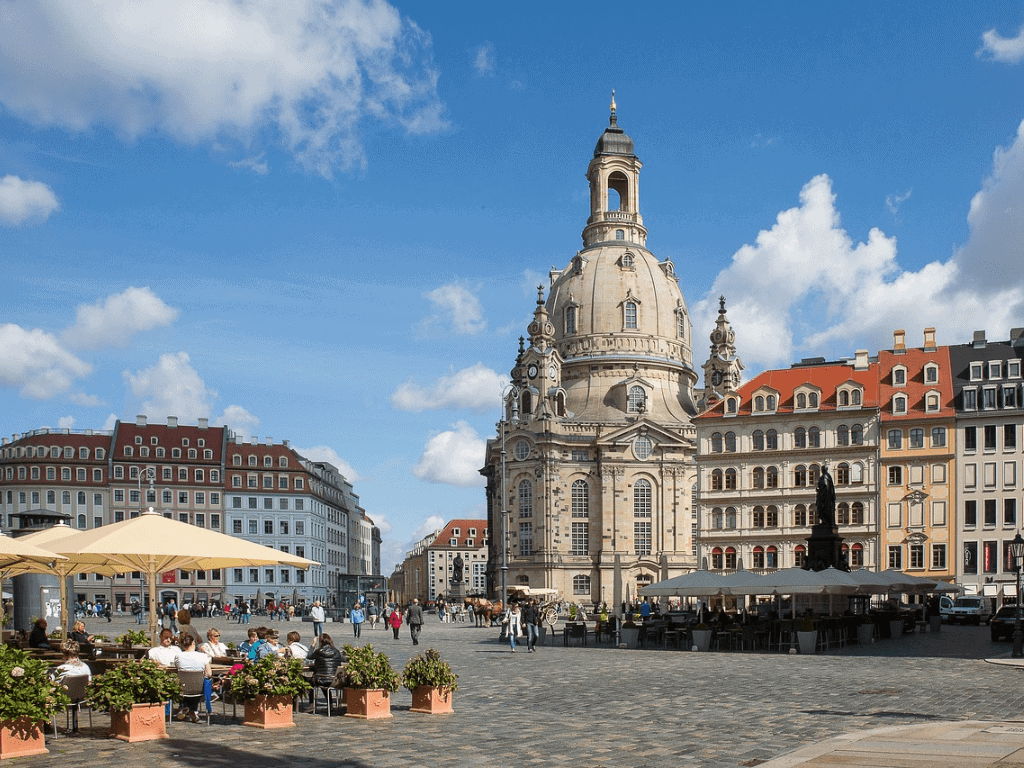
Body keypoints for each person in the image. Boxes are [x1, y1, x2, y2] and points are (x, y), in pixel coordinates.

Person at [175, 634, 212, 723]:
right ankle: (192, 710)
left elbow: (177, 669)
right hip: (199, 689)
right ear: (193, 643)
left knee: (186, 685)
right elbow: (209, 673)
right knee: (202, 684)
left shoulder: (178, 656)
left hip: (183, 688)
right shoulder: (202, 656)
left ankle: (186, 708)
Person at [303, 633, 343, 714]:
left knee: (309, 682)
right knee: (325, 684)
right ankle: (330, 705)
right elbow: (344, 659)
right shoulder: (337, 651)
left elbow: (309, 656)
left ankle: (311, 704)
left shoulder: (319, 651)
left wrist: (313, 645)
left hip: (320, 679)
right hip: (334, 681)